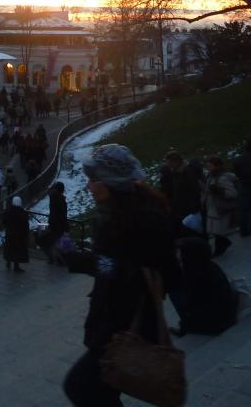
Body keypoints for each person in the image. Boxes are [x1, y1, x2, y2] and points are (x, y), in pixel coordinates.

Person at [61, 144, 177, 406]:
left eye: (93, 180)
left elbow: (113, 269)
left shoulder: (126, 220)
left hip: (119, 323)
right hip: (127, 316)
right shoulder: (144, 207)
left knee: (79, 386)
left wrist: (74, 258)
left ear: (109, 183)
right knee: (104, 387)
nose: (89, 187)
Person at [170, 237, 239, 337]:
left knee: (184, 305)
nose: (177, 255)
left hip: (217, 322)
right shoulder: (211, 265)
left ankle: (184, 327)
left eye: (179, 252)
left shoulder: (192, 274)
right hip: (229, 312)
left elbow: (191, 302)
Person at [202, 154, 239, 256]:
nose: (208, 169)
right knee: (214, 229)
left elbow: (233, 193)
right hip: (212, 206)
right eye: (207, 166)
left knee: (218, 229)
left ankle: (221, 246)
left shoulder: (223, 178)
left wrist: (219, 191)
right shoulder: (210, 176)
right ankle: (222, 244)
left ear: (217, 166)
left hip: (220, 207)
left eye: (210, 166)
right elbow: (207, 190)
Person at [3, 196, 30, 273]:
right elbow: (25, 224)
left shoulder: (8, 210)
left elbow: (4, 221)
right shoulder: (22, 212)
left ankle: (8, 262)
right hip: (19, 234)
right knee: (17, 250)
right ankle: (16, 266)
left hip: (9, 233)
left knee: (9, 248)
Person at [44, 181, 68, 264]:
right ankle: (59, 260)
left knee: (52, 240)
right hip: (59, 223)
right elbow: (62, 214)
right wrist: (66, 225)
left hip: (52, 221)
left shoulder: (52, 197)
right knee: (59, 241)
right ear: (62, 190)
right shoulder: (60, 200)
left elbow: (49, 191)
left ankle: (51, 258)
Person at [234, 140, 251, 237]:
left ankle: (244, 231)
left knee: (243, 210)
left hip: (243, 185)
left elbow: (236, 174)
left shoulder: (238, 159)